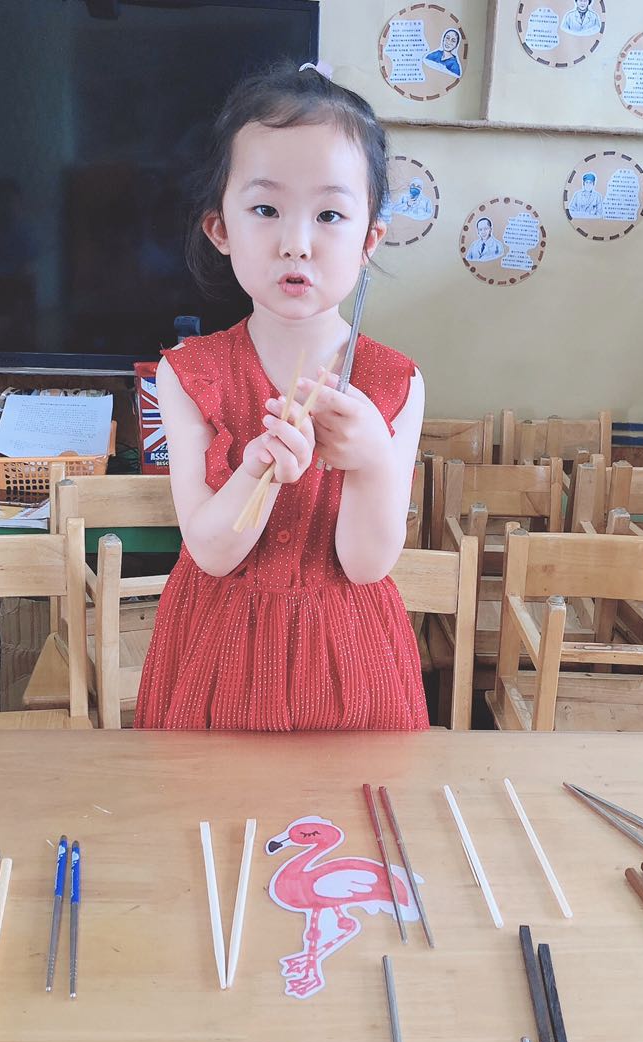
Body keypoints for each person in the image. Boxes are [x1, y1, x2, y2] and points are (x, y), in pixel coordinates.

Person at [134, 65, 427, 731]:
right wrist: (255, 471)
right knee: (204, 796)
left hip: (350, 661)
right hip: (219, 654)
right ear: (221, 229)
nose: (297, 243)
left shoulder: (395, 383)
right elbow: (211, 552)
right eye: (266, 210)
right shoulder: (188, 374)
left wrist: (371, 461)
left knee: (355, 800)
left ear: (369, 239)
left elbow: (366, 565)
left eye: (330, 215)